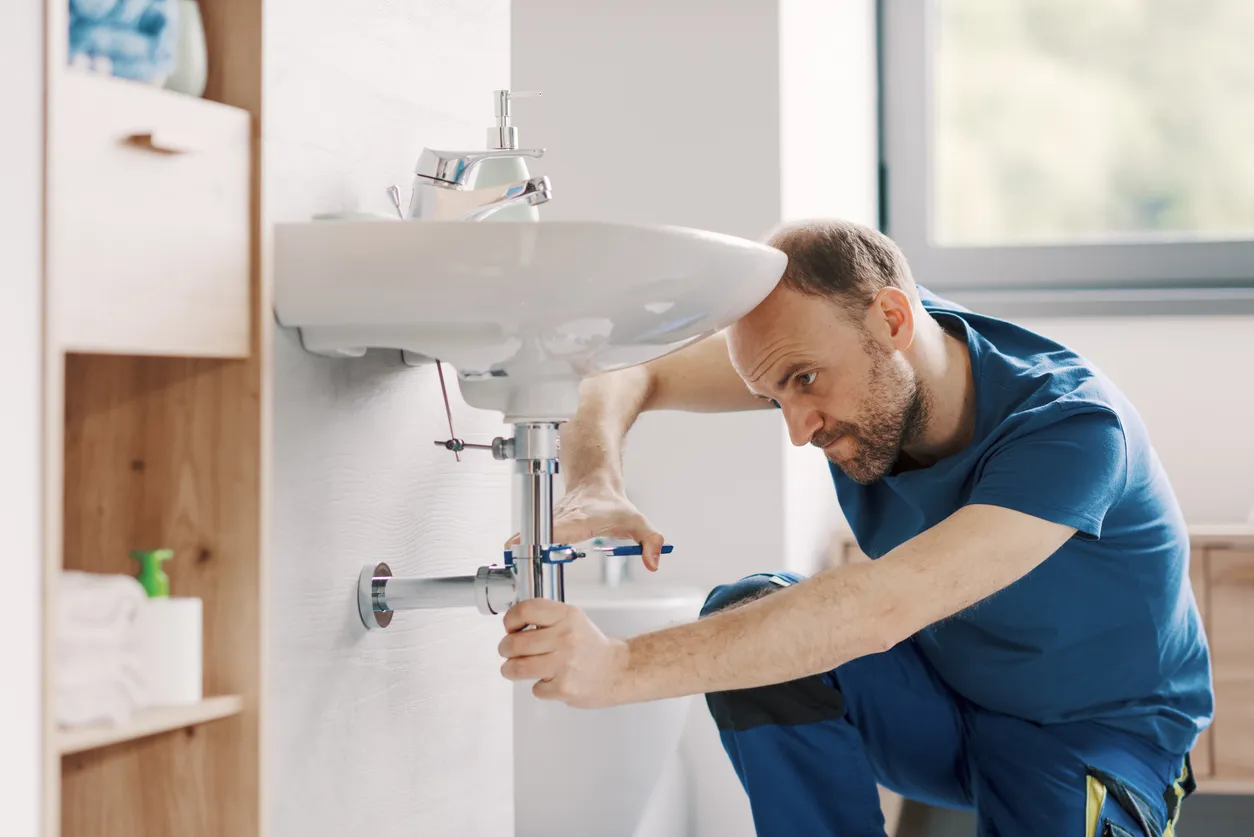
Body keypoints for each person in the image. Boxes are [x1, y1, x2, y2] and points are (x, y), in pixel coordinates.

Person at [496, 218, 1213, 837]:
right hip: (941, 709)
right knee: (752, 618)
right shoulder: (843, 342)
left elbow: (881, 608)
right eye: (771, 397)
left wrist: (619, 666)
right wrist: (593, 482)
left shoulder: (1072, 428)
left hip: (1092, 741)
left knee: (814, 624)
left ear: (893, 320)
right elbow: (629, 372)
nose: (798, 429)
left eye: (805, 381)